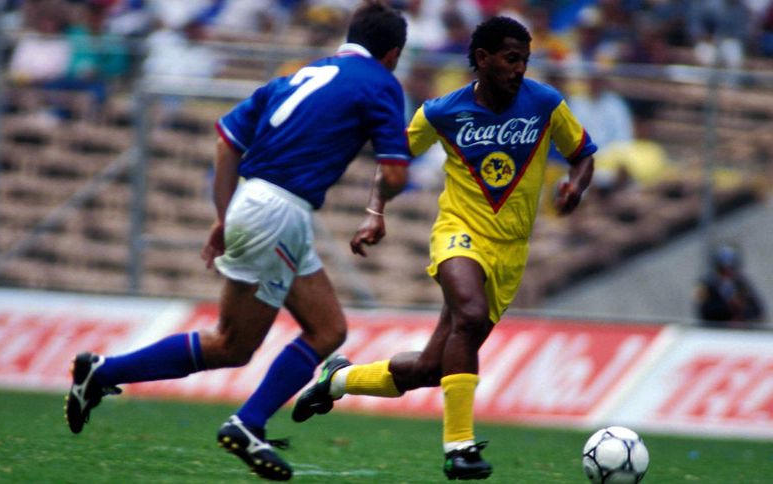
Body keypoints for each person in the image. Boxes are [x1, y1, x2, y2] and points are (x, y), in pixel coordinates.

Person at [65, 2, 409, 480]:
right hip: (281, 212)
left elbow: (227, 140)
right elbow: (394, 172)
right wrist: (380, 205)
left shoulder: (297, 75)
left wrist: (224, 215)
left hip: (256, 202)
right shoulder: (381, 83)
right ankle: (238, 420)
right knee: (234, 343)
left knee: (326, 330)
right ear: (392, 54)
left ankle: (110, 375)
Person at [292, 16, 596, 480]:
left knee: (432, 368)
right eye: (512, 59)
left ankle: (339, 379)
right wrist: (375, 211)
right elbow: (393, 163)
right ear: (483, 59)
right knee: (469, 315)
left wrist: (576, 185)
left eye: (525, 60)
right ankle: (460, 448)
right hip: (459, 232)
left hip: (510, 251)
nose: (520, 69)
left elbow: (583, 155)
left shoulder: (546, 104)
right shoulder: (441, 112)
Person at [695, 244, 766, 328]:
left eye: (731, 269)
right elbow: (704, 310)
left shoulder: (742, 285)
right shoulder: (708, 286)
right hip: (716, 330)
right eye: (723, 270)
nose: (727, 273)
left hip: (739, 331)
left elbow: (757, 311)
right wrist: (727, 307)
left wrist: (742, 310)